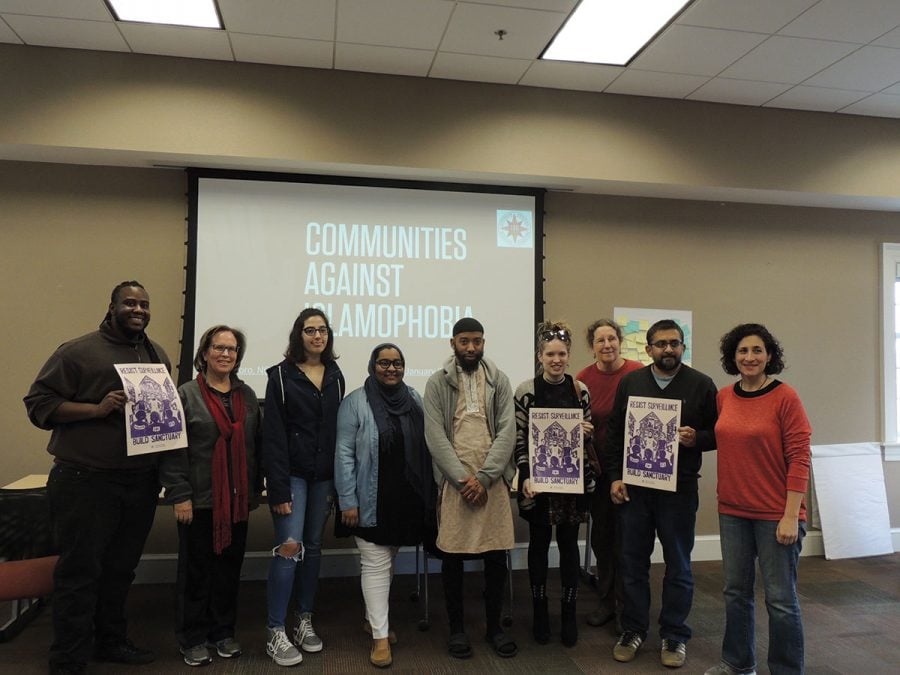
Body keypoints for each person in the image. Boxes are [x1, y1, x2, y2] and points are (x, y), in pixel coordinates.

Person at [24, 281, 169, 674]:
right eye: (130, 303)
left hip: (138, 481)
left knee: (120, 569)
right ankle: (68, 657)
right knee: (79, 571)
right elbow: (38, 404)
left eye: (144, 304)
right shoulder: (77, 351)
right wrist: (96, 409)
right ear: (112, 307)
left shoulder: (157, 356)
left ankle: (111, 641)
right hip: (84, 480)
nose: (138, 309)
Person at [603, 319, 718, 669]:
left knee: (679, 564)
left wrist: (695, 438)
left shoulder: (701, 384)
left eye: (675, 343)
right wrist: (614, 477)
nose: (668, 349)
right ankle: (633, 629)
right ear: (649, 348)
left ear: (682, 346)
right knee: (632, 562)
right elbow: (615, 433)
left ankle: (674, 634)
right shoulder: (631, 382)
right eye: (661, 343)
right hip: (636, 488)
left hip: (679, 491)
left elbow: (718, 433)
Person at [705, 324, 811, 675]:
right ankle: (737, 663)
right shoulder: (725, 396)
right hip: (733, 511)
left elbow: (799, 457)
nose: (749, 357)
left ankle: (786, 670)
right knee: (736, 592)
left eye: (757, 351)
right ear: (733, 357)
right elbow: (725, 440)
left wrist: (790, 515)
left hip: (775, 514)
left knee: (780, 601)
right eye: (742, 351)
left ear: (769, 356)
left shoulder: (785, 397)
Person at [159, 325, 262, 666]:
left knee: (229, 571)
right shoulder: (185, 394)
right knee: (196, 572)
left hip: (236, 502)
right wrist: (180, 495)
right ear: (204, 353)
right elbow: (173, 449)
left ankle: (222, 632)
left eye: (231, 349)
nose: (225, 354)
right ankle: (191, 638)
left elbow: (255, 445)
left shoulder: (246, 395)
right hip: (199, 500)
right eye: (218, 348)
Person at [334, 343, 435, 668]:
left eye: (397, 363)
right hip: (367, 500)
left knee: (386, 561)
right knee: (376, 564)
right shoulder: (355, 403)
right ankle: (380, 636)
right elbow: (344, 454)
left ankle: (371, 619)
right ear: (372, 366)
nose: (391, 368)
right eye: (383, 363)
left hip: (405, 500)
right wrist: (347, 501)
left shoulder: (415, 399)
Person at [423, 317, 518, 660]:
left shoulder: (500, 381)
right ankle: (458, 630)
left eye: (477, 341)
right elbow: (434, 436)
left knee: (495, 557)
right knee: (453, 558)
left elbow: (507, 431)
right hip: (455, 483)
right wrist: (463, 480)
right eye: (464, 341)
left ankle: (495, 628)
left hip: (492, 482)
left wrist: (487, 476)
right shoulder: (436, 383)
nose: (471, 348)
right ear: (453, 343)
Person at [262, 308, 345, 667]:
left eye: (322, 330)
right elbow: (274, 438)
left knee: (312, 547)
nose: (317, 336)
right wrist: (278, 490)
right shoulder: (280, 376)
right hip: (291, 476)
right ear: (299, 334)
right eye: (310, 330)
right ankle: (275, 630)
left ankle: (303, 619)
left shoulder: (336, 374)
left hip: (323, 476)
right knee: (289, 547)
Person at [514, 321, 594, 647]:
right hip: (538, 484)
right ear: (539, 355)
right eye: (550, 354)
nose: (556, 359)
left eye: (561, 354)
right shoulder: (526, 391)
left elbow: (586, 436)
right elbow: (520, 438)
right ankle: (540, 612)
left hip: (571, 485)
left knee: (568, 547)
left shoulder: (580, 390)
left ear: (569, 355)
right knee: (537, 547)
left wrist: (586, 432)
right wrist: (526, 475)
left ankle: (569, 612)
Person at [576, 319, 643, 630]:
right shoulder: (582, 380)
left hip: (633, 471)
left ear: (620, 341)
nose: (607, 345)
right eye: (600, 340)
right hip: (598, 470)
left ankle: (627, 608)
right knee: (602, 540)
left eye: (612, 339)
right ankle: (606, 603)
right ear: (592, 347)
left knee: (627, 541)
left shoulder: (638, 373)